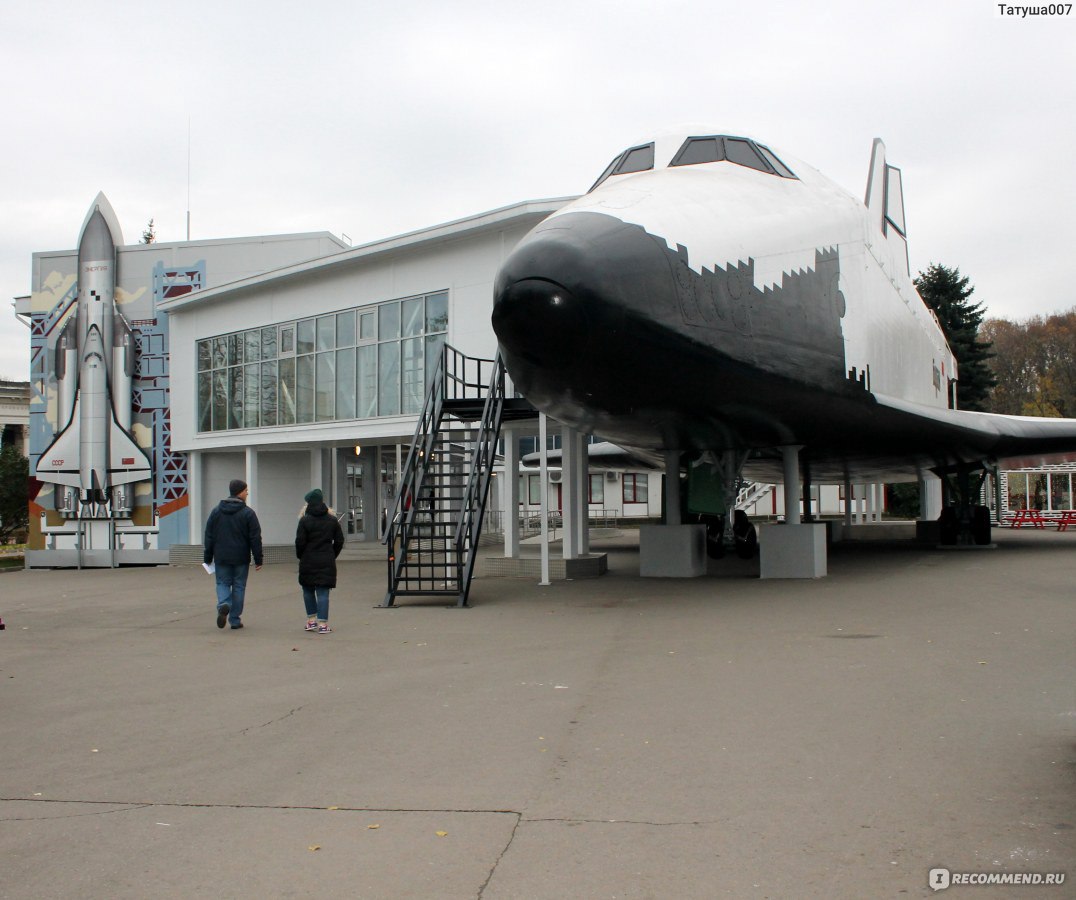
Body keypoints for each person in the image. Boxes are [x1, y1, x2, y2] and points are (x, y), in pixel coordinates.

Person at [204, 479, 263, 630]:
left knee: (222, 583)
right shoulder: (248, 513)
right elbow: (255, 537)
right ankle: (235, 619)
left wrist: (208, 556)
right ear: (239, 492)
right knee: (239, 586)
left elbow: (209, 535)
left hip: (221, 556)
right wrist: (258, 558)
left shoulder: (216, 511)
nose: (247, 493)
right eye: (245, 490)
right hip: (241, 557)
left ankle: (224, 604)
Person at [295, 488, 344, 634]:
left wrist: (301, 555)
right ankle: (323, 624)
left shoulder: (304, 520)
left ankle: (311, 621)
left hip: (308, 559)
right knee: (323, 592)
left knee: (308, 590)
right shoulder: (332, 520)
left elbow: (299, 542)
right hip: (326, 559)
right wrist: (332, 554)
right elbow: (340, 540)